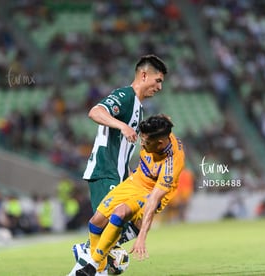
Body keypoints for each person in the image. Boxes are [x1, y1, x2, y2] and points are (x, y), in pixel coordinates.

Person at [70, 54, 168, 274]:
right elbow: (95, 112)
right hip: (106, 172)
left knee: (135, 222)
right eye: (158, 80)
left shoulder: (139, 108)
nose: (160, 87)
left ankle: (88, 255)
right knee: (115, 226)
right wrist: (121, 126)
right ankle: (89, 253)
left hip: (119, 175)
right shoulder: (125, 96)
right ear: (144, 75)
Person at [75, 114, 185, 276]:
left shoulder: (171, 166)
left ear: (160, 144)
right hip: (135, 181)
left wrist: (142, 236)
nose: (142, 143)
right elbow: (164, 119)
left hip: (152, 192)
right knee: (96, 221)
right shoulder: (159, 132)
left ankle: (94, 266)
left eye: (146, 142)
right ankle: (103, 261)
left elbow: (154, 199)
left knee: (120, 213)